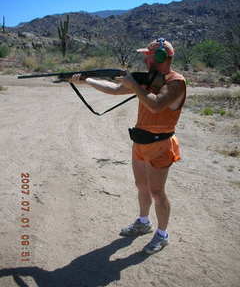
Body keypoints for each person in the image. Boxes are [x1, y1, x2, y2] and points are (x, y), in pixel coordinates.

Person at [69, 38, 186, 254]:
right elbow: (114, 89)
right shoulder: (150, 79)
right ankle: (143, 222)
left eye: (148, 55)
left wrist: (135, 86)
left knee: (158, 192)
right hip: (140, 142)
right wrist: (87, 80)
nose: (145, 58)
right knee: (141, 186)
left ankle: (162, 235)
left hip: (160, 145)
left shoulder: (176, 82)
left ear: (160, 57)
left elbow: (156, 106)